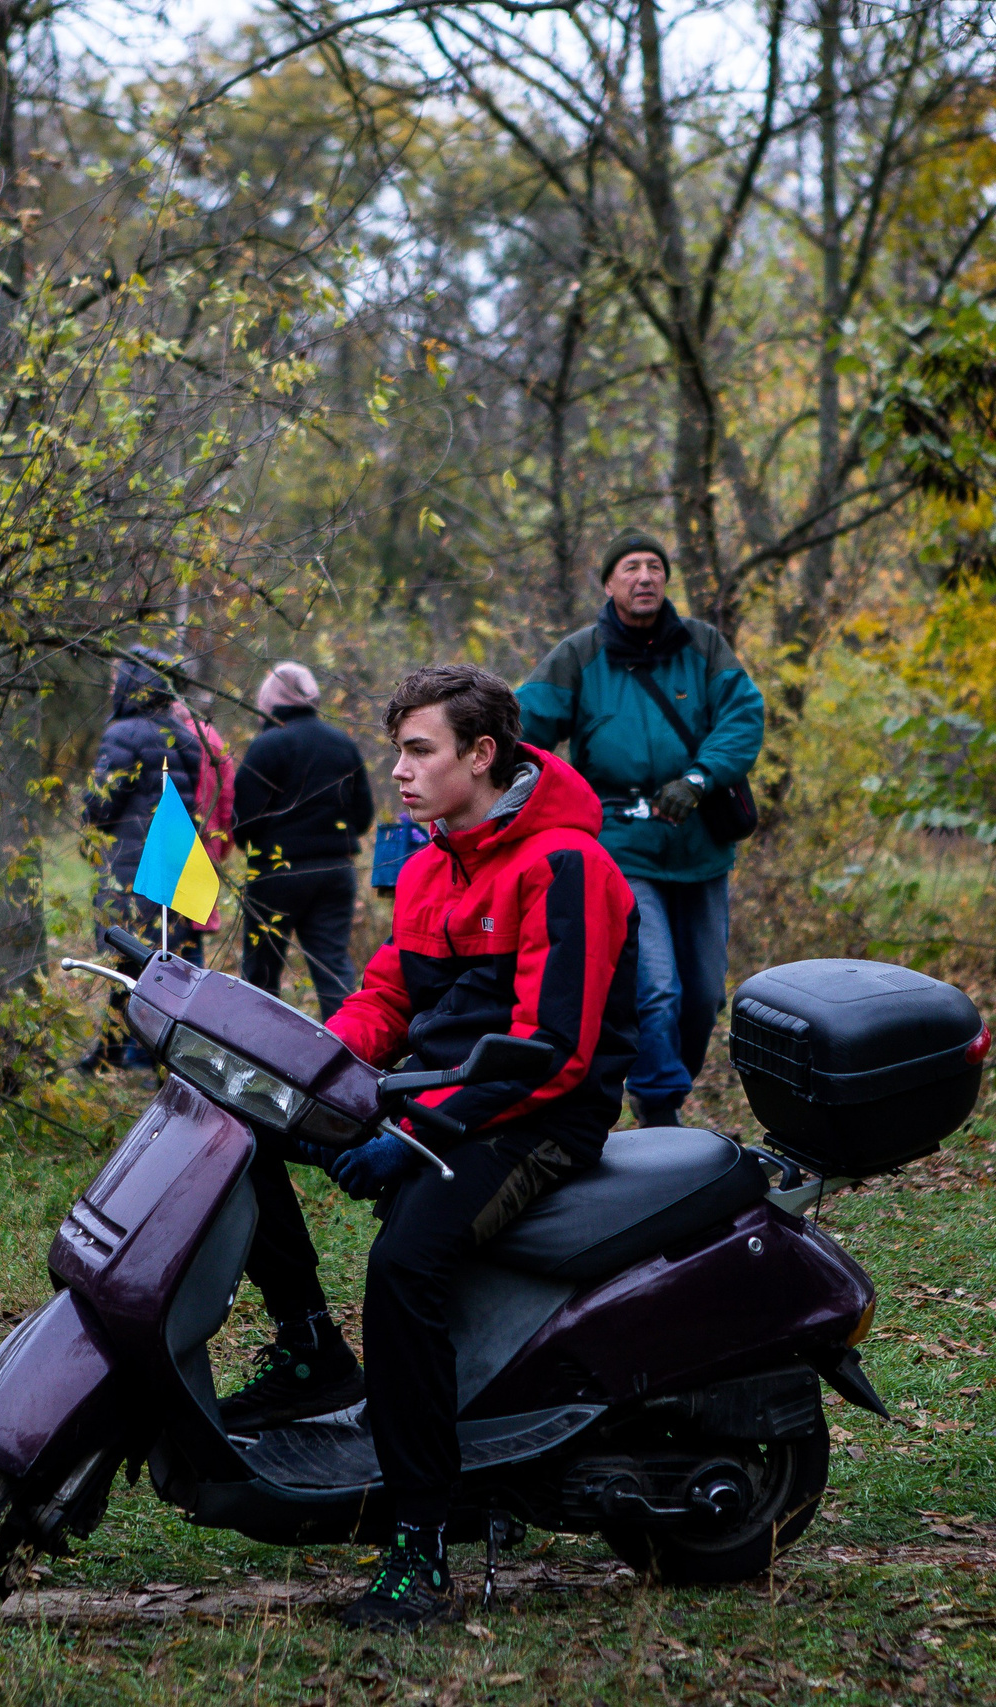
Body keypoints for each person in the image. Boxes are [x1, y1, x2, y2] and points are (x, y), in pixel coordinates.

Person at [307, 663, 639, 1631]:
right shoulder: (427, 865)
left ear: (481, 755)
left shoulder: (565, 868)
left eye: (419, 752)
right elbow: (386, 1000)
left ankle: (421, 1540)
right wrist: (307, 1067)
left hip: (536, 1118)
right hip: (440, 1106)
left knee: (404, 1265)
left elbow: (552, 1053)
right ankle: (304, 1354)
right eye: (396, 751)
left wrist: (410, 1137)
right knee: (252, 1145)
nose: (399, 773)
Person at [517, 531, 764, 1129]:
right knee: (656, 988)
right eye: (631, 568)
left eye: (655, 566)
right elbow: (521, 727)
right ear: (609, 583)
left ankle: (663, 1088)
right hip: (619, 845)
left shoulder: (703, 646)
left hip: (700, 842)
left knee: (704, 996)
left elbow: (744, 715)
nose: (645, 577)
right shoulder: (579, 655)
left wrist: (700, 779)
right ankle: (659, 1109)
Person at [79, 648, 230, 1069]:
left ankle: (125, 1056)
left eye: (116, 680)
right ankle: (133, 1055)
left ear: (132, 684)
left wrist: (85, 817)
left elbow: (101, 805)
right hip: (170, 866)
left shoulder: (124, 734)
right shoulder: (183, 734)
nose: (112, 689)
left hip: (129, 868)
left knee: (125, 962)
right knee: (162, 965)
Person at [233, 662, 374, 1019]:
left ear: (271, 699)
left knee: (261, 974)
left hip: (275, 876)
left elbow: (243, 821)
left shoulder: (266, 746)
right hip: (335, 870)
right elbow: (363, 815)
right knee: (333, 970)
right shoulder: (343, 744)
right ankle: (348, 1055)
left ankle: (257, 1053)